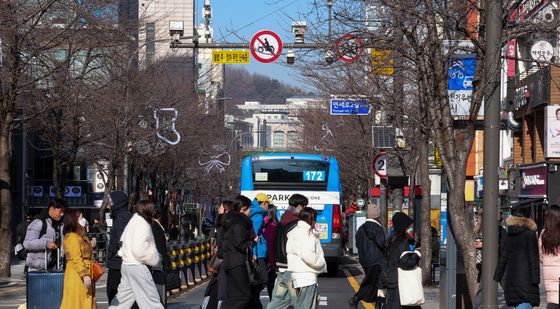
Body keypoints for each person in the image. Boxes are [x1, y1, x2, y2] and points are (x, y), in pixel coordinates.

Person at [109, 200, 163, 309]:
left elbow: (123, 240)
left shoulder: (133, 220)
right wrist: (154, 258)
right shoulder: (143, 223)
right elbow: (139, 250)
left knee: (123, 300)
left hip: (126, 264)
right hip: (137, 266)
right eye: (152, 208)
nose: (153, 211)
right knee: (151, 299)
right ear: (147, 209)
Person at [267, 193, 308, 309]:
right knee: (300, 300)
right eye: (304, 207)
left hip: (281, 265)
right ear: (300, 206)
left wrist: (274, 262)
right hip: (292, 266)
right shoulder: (297, 224)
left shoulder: (281, 221)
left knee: (278, 300)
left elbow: (273, 243)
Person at [494, 207, 540, 309]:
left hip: (512, 279)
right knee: (525, 303)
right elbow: (534, 259)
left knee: (518, 304)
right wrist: (536, 279)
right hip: (526, 280)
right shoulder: (530, 235)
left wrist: (497, 275)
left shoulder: (511, 234)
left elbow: (503, 257)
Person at [219, 195, 256, 309]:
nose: (250, 211)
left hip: (230, 262)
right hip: (237, 262)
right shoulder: (239, 222)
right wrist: (253, 242)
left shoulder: (230, 220)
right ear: (244, 208)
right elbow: (239, 243)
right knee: (243, 295)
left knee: (234, 294)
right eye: (249, 208)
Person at [286, 207, 326, 309]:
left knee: (300, 305)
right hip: (306, 277)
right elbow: (308, 255)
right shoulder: (307, 233)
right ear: (311, 219)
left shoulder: (294, 231)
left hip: (295, 275)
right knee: (307, 306)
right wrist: (321, 262)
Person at [349, 203, 386, 308]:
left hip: (365, 260)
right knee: (372, 283)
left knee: (377, 283)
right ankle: (356, 298)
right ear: (377, 215)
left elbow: (357, 244)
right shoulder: (377, 228)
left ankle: (378, 304)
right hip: (376, 260)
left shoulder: (361, 228)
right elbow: (382, 243)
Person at [383, 211, 420, 309]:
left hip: (391, 279)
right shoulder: (402, 241)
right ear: (403, 226)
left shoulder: (391, 239)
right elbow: (405, 263)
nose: (410, 228)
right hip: (400, 282)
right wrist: (416, 254)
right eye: (408, 226)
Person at [60, 209, 95, 309]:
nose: (83, 219)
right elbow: (76, 259)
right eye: (80, 217)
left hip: (81, 272)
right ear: (73, 219)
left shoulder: (78, 235)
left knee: (82, 301)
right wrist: (84, 275)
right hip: (77, 274)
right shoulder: (72, 237)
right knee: (77, 303)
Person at [203, 200, 233, 309]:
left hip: (222, 262)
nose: (218, 208)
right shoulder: (221, 224)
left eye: (220, 207)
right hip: (222, 262)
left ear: (226, 209)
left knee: (217, 288)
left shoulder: (224, 225)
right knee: (217, 288)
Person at [106, 190, 133, 304]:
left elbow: (120, 242)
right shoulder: (122, 217)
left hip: (118, 265)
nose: (108, 205)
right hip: (120, 263)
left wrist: (113, 255)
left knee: (115, 295)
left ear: (117, 203)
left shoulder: (122, 219)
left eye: (110, 202)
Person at [23, 199, 65, 270]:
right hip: (37, 269)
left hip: (56, 267)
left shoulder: (61, 225)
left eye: (63, 212)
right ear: (51, 209)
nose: (62, 214)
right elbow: (27, 243)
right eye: (60, 212)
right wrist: (46, 244)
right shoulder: (38, 223)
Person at [248, 193, 270, 309]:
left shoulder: (253, 212)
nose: (268, 206)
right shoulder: (258, 216)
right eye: (267, 203)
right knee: (262, 280)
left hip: (256, 251)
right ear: (263, 203)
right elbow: (254, 236)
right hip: (257, 253)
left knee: (257, 281)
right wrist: (254, 254)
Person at [539, 205, 560, 309]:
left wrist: (547, 262)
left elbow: (541, 254)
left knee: (552, 296)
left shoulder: (543, 233)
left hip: (548, 272)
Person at [151, 204, 170, 306]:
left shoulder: (155, 225)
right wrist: (167, 261)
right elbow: (160, 246)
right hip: (158, 261)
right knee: (159, 287)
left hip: (156, 260)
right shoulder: (155, 226)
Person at [263, 205, 279, 300]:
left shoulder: (267, 225)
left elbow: (270, 245)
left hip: (266, 258)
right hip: (272, 259)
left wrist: (271, 262)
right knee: (271, 284)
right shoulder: (276, 224)